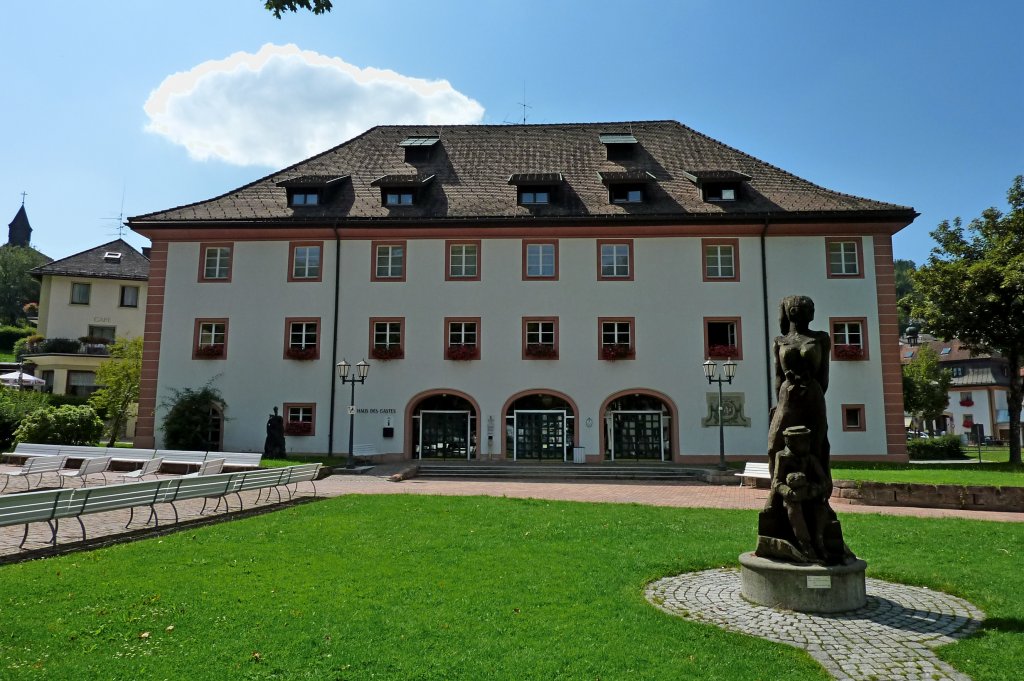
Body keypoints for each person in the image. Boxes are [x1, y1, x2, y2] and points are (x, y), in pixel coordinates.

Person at [766, 295, 831, 493]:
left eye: (810, 308)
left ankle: (819, 489)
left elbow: (824, 374)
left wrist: (814, 393)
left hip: (813, 393)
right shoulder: (780, 341)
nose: (808, 312)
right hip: (787, 395)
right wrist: (779, 403)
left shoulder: (820, 338)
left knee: (817, 443)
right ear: (789, 312)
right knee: (774, 443)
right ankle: (777, 491)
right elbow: (778, 376)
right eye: (801, 308)